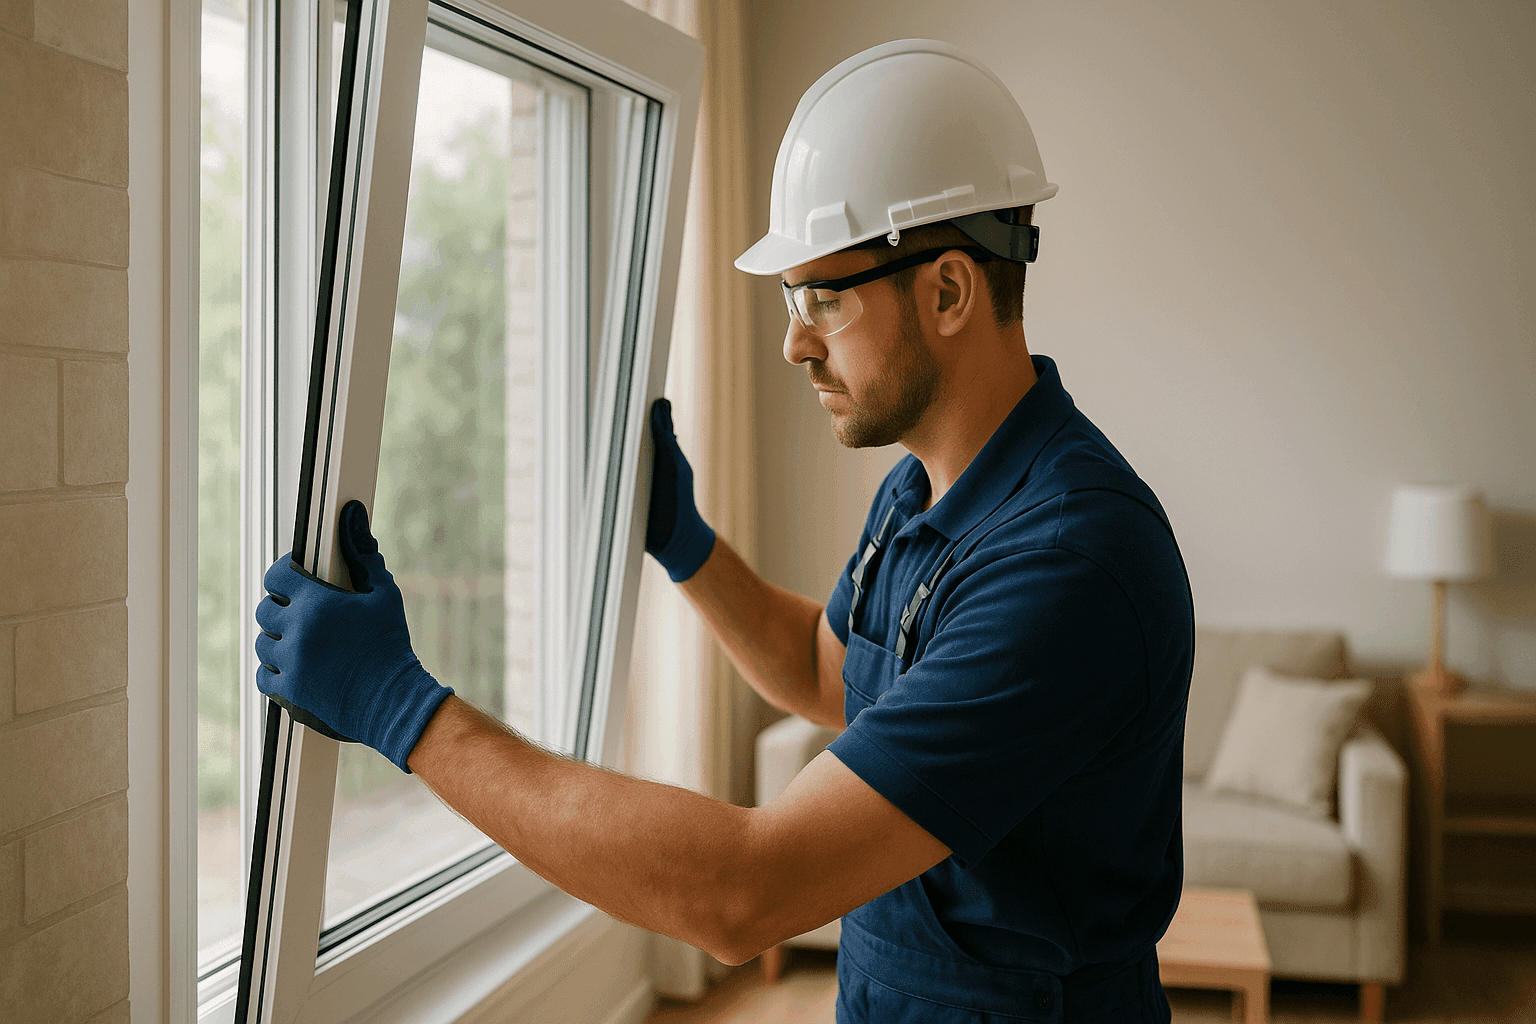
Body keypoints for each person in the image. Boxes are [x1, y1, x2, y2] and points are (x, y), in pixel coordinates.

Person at [256, 38, 1194, 1023]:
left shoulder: (1066, 564)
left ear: (950, 290)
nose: (795, 340)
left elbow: (746, 889)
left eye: (823, 295)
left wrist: (404, 709)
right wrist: (686, 543)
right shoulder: (922, 490)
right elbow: (829, 672)